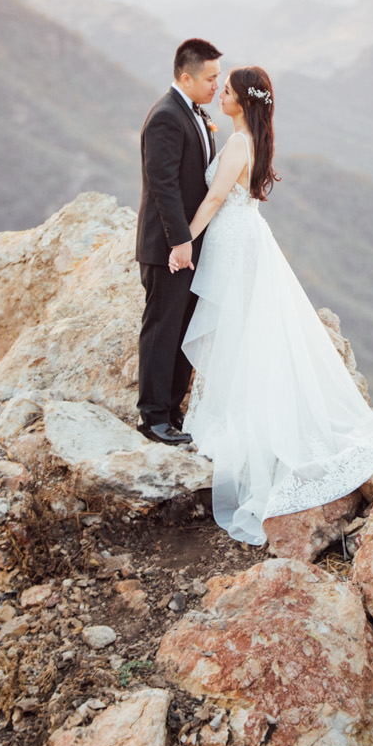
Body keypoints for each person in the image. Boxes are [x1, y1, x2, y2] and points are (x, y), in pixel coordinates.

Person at [176, 65, 373, 545]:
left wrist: (183, 241)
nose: (219, 95)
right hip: (247, 240)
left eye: (225, 91)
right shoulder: (254, 139)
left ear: (243, 100)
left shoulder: (240, 143)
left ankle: (253, 430)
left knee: (242, 334)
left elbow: (217, 196)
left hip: (234, 242)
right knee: (250, 334)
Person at [133, 38, 223, 445]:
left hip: (191, 245)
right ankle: (152, 418)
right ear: (185, 77)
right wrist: (180, 242)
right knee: (162, 328)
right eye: (210, 78)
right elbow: (163, 185)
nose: (216, 86)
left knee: (184, 328)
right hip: (169, 248)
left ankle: (172, 411)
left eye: (218, 77)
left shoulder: (196, 115)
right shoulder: (166, 117)